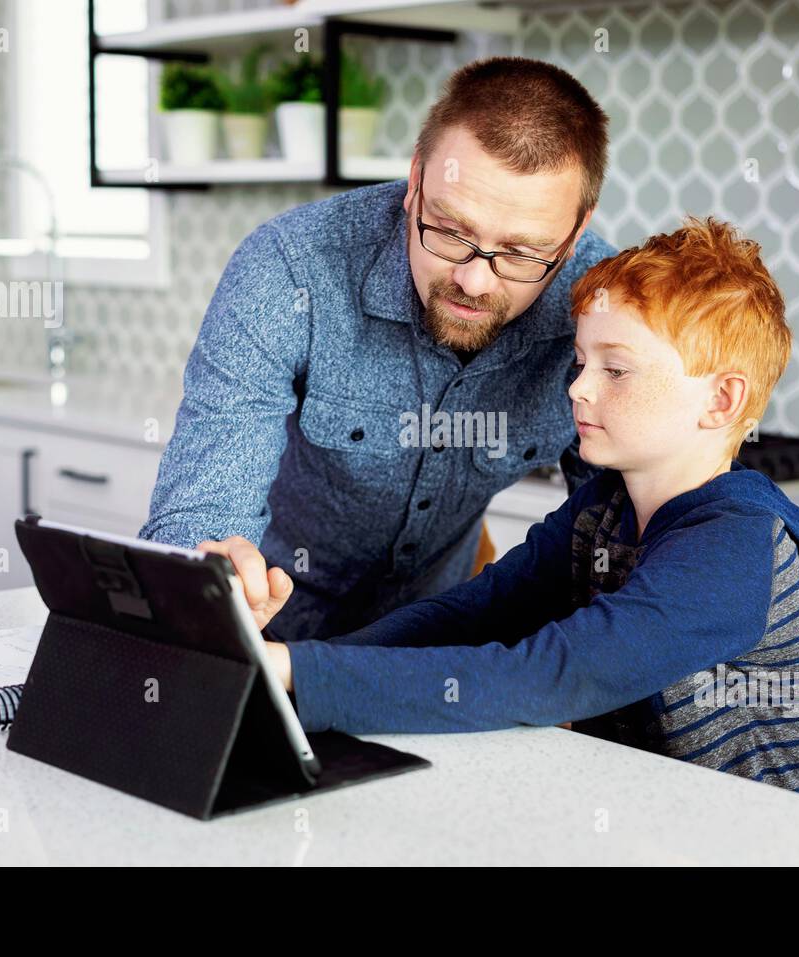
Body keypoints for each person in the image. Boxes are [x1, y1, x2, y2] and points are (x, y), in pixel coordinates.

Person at [257, 219, 799, 800]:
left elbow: (550, 675)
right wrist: (289, 671)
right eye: (581, 361)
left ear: (721, 400)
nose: (578, 388)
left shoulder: (733, 551)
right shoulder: (604, 509)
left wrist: (296, 673)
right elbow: (474, 613)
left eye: (615, 370)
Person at [139, 57, 617, 640]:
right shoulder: (289, 270)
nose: (475, 282)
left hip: (437, 645)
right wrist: (212, 576)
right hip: (269, 629)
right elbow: (199, 512)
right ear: (415, 182)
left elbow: (613, 538)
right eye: (451, 232)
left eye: (521, 254)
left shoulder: (603, 306)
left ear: (575, 231)